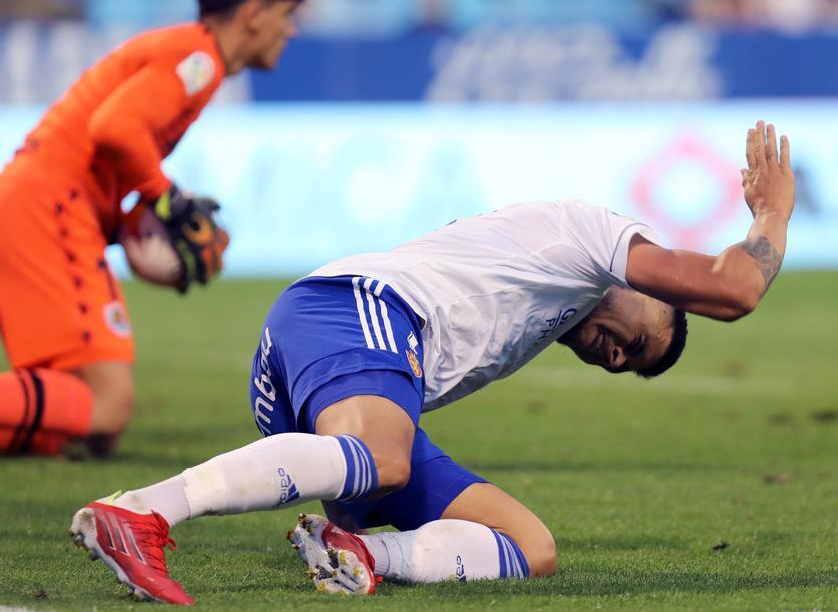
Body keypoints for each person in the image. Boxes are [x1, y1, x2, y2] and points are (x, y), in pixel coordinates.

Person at [69, 122, 794, 605]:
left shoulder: (549, 309)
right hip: (349, 311)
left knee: (529, 546)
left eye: (624, 367)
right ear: (642, 284)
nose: (614, 358)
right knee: (382, 456)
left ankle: (360, 550)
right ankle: (141, 511)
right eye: (636, 341)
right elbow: (735, 289)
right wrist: (772, 215)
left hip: (342, 379)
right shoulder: (591, 236)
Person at [0, 0, 306, 470]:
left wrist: (134, 224)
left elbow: (101, 148)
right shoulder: (199, 57)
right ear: (253, 13)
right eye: (286, 14)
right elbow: (114, 128)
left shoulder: (185, 54)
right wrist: (167, 199)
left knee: (70, 420)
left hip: (24, 207)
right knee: (107, 404)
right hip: (46, 210)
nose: (291, 31)